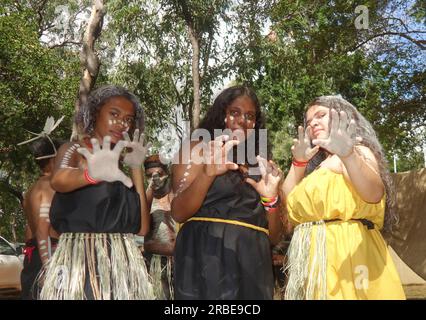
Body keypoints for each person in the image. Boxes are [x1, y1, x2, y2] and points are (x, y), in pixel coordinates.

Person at [282, 95, 405, 300]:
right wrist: (298, 163)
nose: (313, 123)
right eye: (309, 121)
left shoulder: (357, 153)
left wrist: (347, 156)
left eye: (320, 115)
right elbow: (288, 209)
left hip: (350, 256)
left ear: (343, 117)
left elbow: (374, 193)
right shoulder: (317, 169)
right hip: (316, 261)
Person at [39, 85, 155, 300]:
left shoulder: (118, 166)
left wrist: (136, 167)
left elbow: (142, 228)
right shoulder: (75, 150)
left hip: (120, 266)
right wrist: (92, 175)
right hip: (80, 263)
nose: (122, 123)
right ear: (94, 114)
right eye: (114, 114)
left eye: (128, 119)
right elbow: (59, 180)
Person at [171, 85, 283, 300]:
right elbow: (178, 212)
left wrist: (271, 200)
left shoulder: (261, 163)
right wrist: (207, 173)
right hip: (207, 256)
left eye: (250, 116)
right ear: (222, 114)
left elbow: (274, 236)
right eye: (235, 112)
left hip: (254, 261)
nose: (242, 120)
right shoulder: (198, 148)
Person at [20, 137, 61, 300]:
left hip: (34, 257)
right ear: (53, 159)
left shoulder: (31, 190)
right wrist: (48, 267)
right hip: (49, 257)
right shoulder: (50, 185)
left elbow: (29, 232)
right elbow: (43, 230)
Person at [143, 154, 176, 299]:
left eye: (159, 174)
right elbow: (140, 222)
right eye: (149, 176)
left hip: (180, 261)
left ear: (167, 173)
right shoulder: (146, 199)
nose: (155, 178)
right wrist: (150, 188)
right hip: (155, 263)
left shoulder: (177, 195)